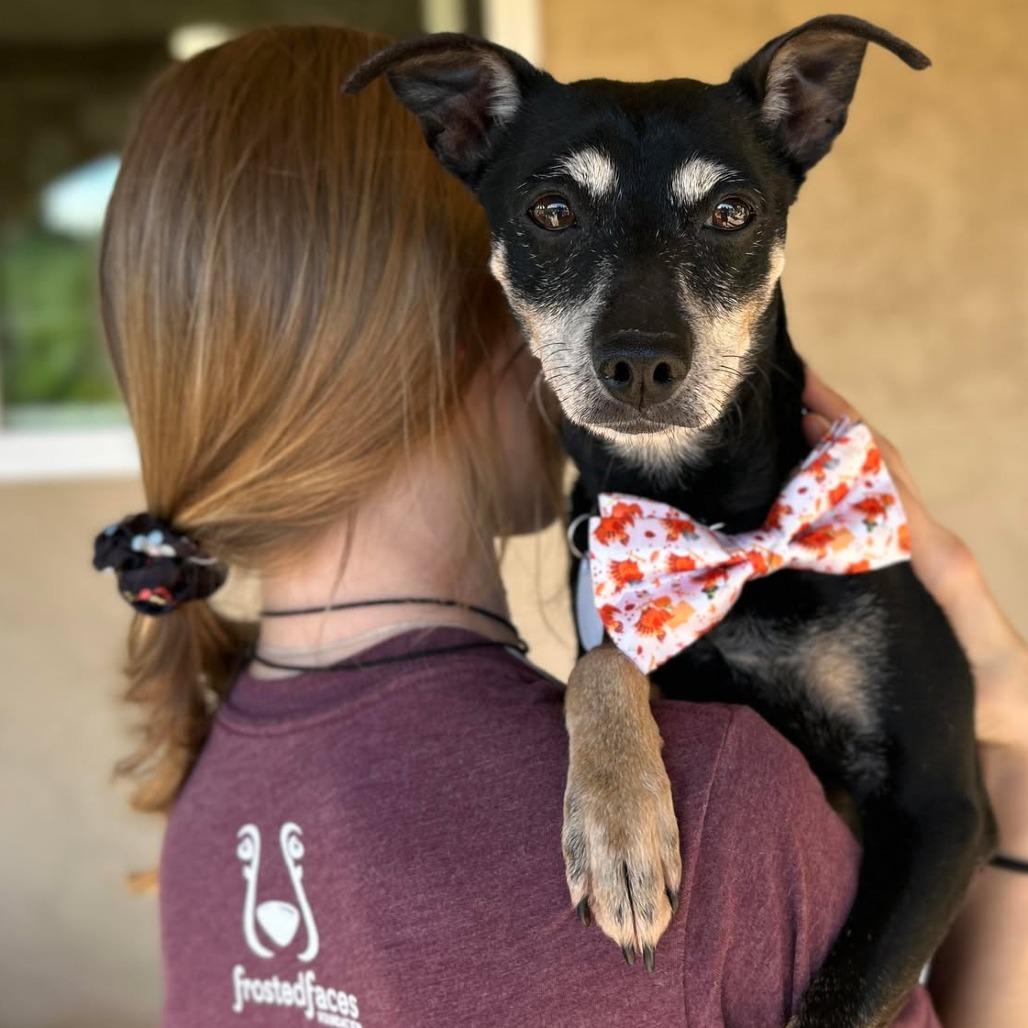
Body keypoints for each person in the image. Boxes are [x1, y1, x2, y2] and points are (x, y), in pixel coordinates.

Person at [92, 24, 1027, 1028]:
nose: (638, 342)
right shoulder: (707, 799)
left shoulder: (203, 806)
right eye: (554, 220)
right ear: (476, 309)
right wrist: (1013, 753)